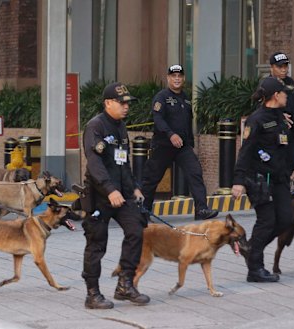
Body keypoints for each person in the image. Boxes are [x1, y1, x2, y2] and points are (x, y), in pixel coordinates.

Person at [81, 82, 150, 309]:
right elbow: (95, 164)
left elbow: (123, 162)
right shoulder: (95, 127)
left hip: (122, 194)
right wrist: (110, 190)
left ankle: (125, 284)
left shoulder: (121, 127)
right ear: (108, 103)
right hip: (100, 195)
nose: (126, 107)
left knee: (136, 231)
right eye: (122, 103)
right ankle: (93, 294)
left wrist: (133, 188)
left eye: (128, 103)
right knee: (96, 244)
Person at [231, 77, 294, 283]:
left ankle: (251, 247)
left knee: (285, 220)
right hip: (259, 180)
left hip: (279, 179)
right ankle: (255, 269)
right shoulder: (256, 120)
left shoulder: (281, 116)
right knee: (266, 221)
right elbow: (245, 151)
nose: (287, 95)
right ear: (276, 95)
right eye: (284, 93)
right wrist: (239, 180)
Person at [141, 64, 218, 220]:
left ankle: (201, 209)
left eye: (179, 76)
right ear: (168, 78)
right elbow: (158, 119)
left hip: (183, 147)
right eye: (173, 76)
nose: (177, 79)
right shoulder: (161, 97)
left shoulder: (186, 98)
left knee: (195, 172)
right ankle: (143, 211)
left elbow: (187, 123)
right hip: (163, 145)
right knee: (151, 179)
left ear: (183, 78)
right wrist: (170, 134)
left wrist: (190, 144)